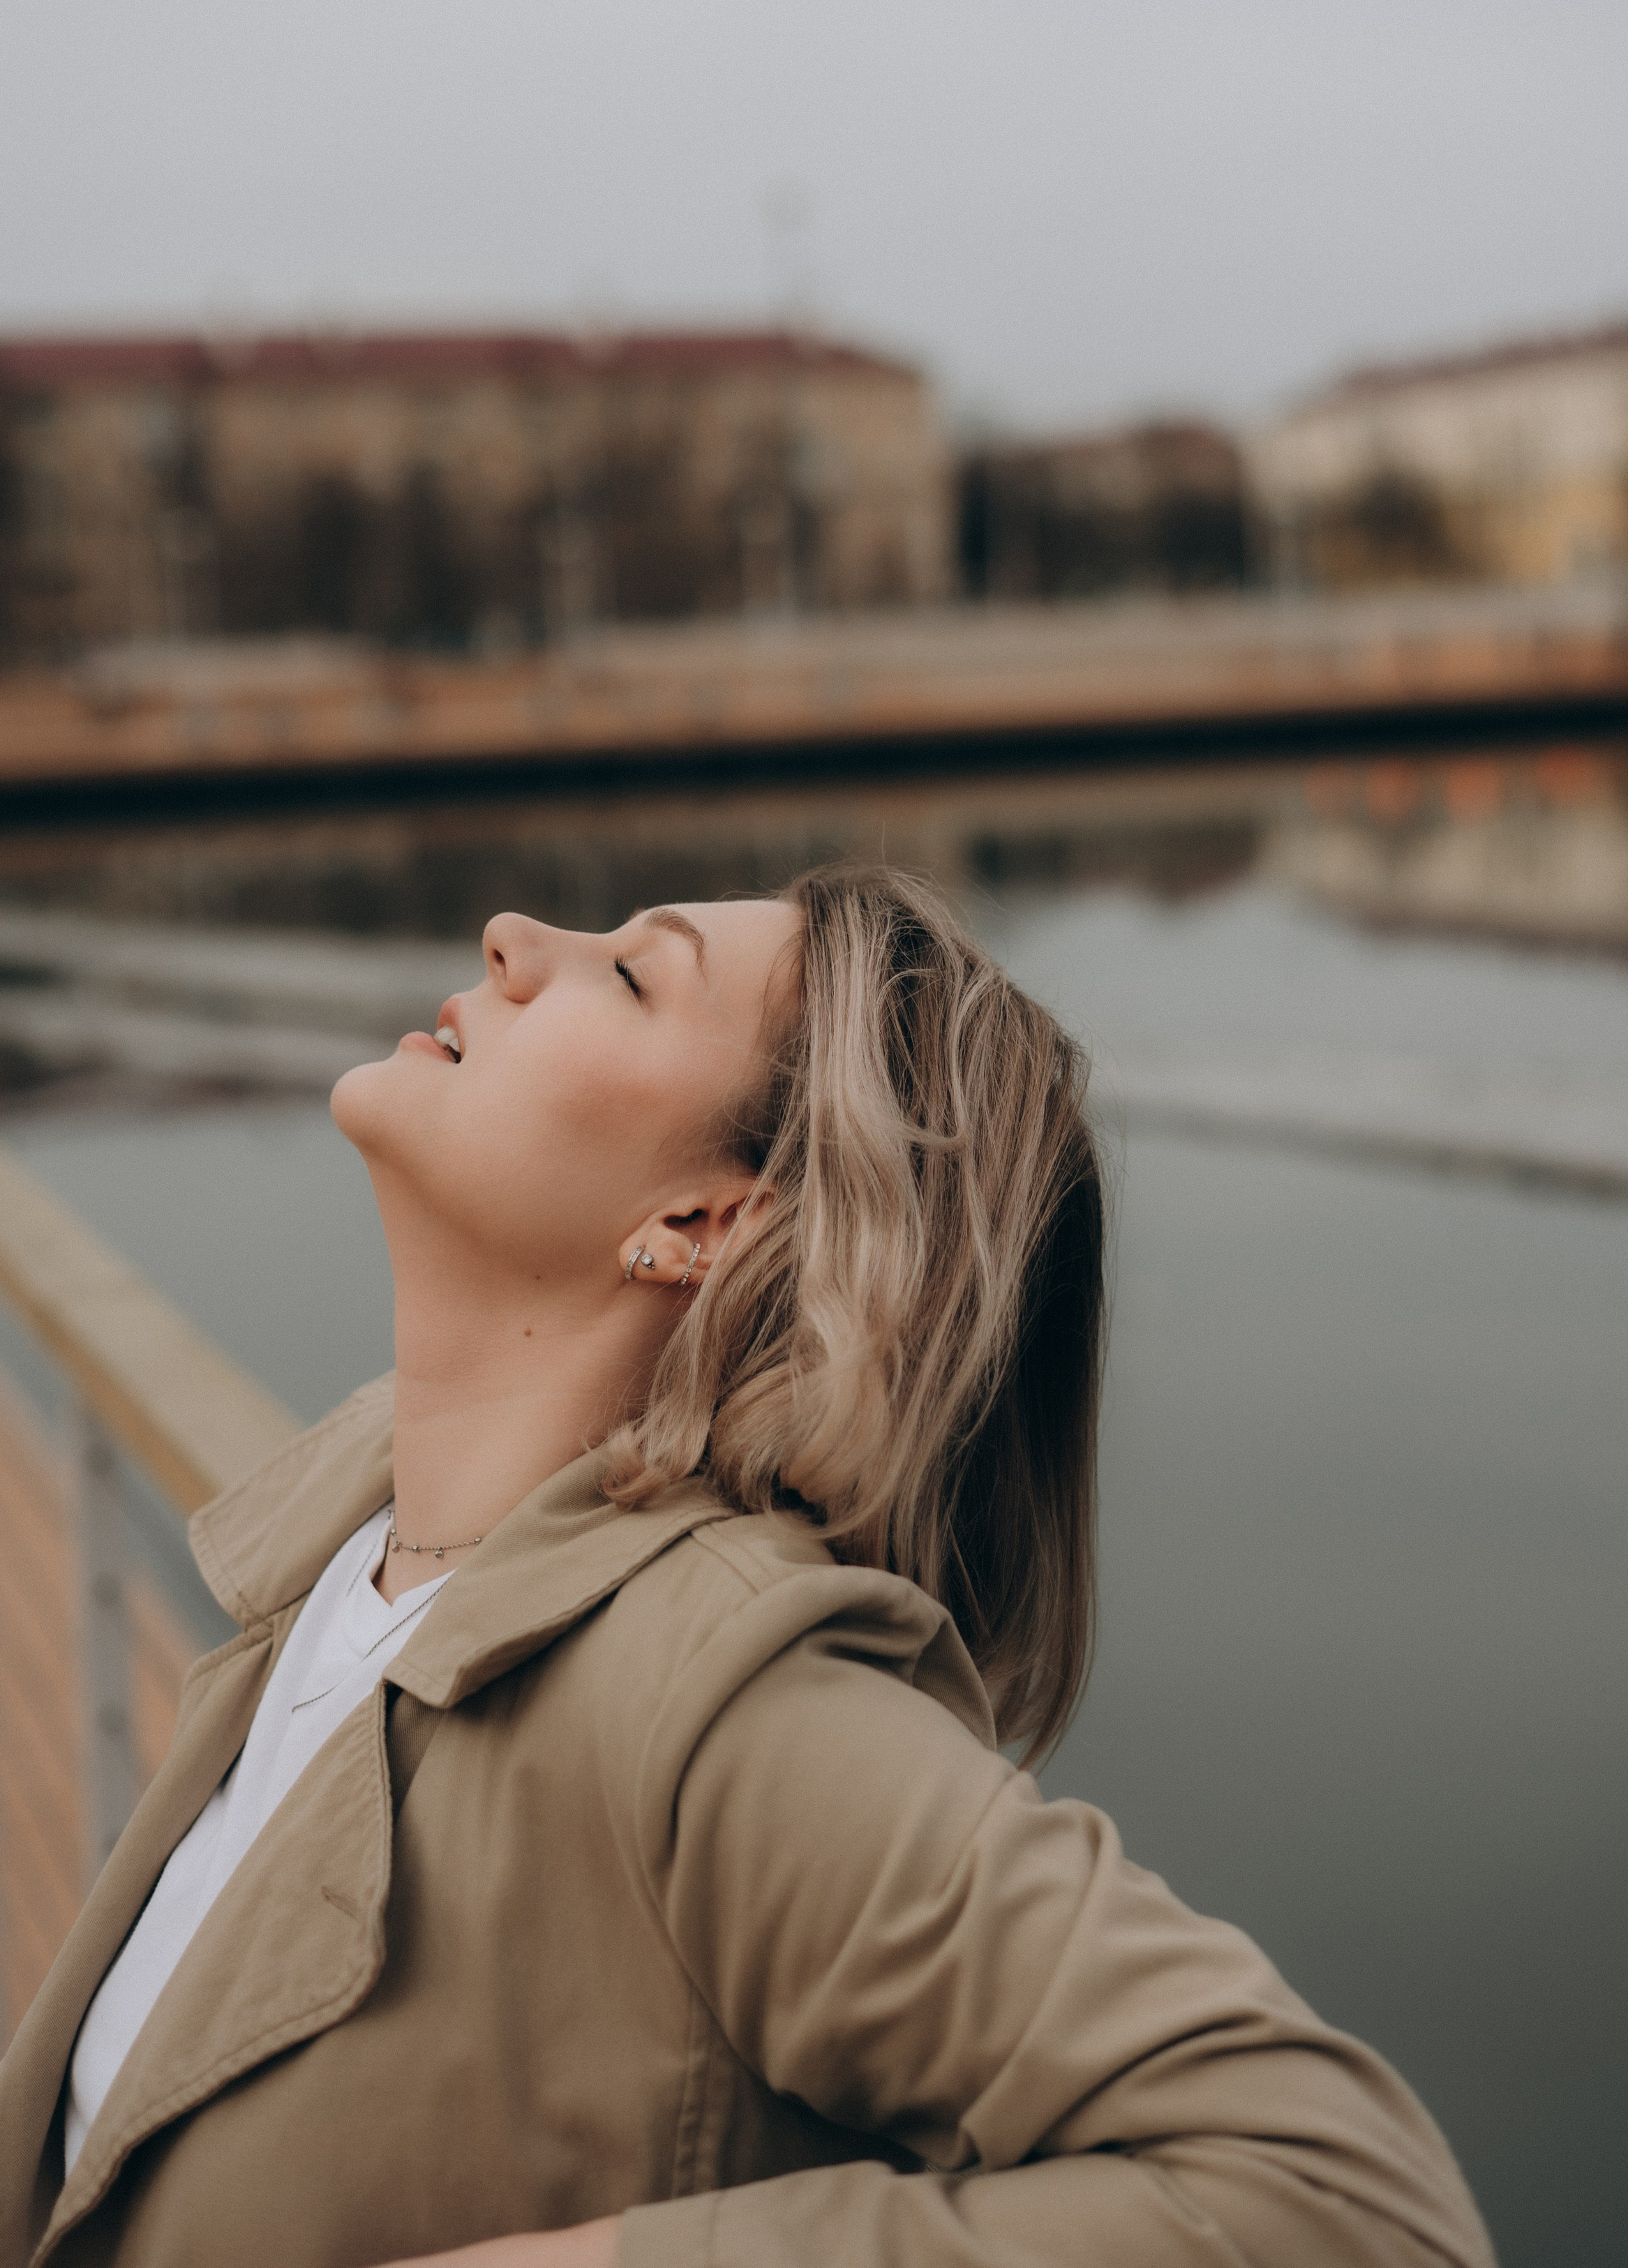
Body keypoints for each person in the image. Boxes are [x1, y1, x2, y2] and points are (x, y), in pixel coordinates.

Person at [0, 864, 1495, 2268]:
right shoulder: (350, 1564)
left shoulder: (714, 1696)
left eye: (634, 977)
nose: (514, 941)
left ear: (701, 1222)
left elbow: (1342, 2198)